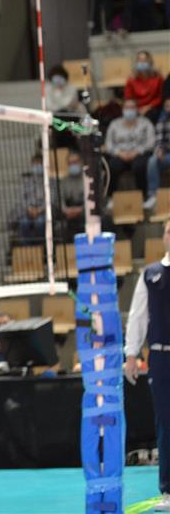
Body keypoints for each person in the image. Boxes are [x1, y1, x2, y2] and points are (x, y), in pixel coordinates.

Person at [124, 219, 170, 512]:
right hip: (162, 358)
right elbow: (138, 316)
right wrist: (131, 354)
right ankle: (169, 490)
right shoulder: (151, 275)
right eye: (168, 232)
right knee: (166, 423)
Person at [105, 99, 158, 208]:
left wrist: (137, 152)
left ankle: (143, 197)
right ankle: (111, 198)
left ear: (137, 109)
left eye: (132, 108)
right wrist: (119, 153)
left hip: (140, 153)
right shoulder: (114, 124)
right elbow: (108, 144)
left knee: (139, 166)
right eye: (127, 108)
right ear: (122, 109)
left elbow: (151, 142)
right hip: (120, 154)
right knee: (112, 166)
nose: (129, 110)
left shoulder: (145, 123)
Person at [14, 154, 47, 245]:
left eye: (39, 164)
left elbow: (51, 199)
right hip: (28, 211)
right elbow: (22, 199)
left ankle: (41, 246)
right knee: (23, 222)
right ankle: (27, 248)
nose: (37, 166)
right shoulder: (26, 182)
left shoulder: (49, 180)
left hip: (43, 211)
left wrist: (40, 210)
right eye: (35, 164)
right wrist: (29, 209)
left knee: (40, 222)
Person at [126, 50, 165, 116]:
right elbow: (129, 98)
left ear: (150, 62)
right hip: (136, 107)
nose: (142, 62)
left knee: (151, 114)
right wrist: (136, 108)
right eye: (139, 60)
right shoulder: (131, 79)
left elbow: (160, 97)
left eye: (144, 60)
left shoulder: (158, 78)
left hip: (153, 107)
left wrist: (148, 107)